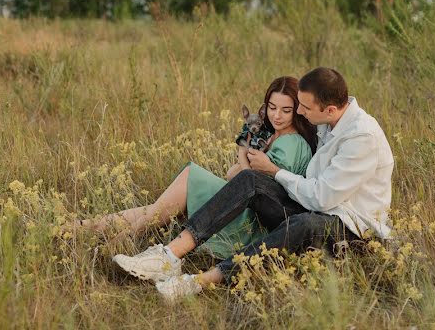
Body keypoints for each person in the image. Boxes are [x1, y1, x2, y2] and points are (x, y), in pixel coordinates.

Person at [112, 67, 394, 302]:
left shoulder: (361, 138)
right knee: (249, 179)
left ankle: (199, 282)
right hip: (314, 207)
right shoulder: (329, 121)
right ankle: (167, 257)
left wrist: (275, 171)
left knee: (305, 224)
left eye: (304, 108)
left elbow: (322, 198)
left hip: (350, 230)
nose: (301, 113)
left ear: (330, 109)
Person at [81, 76, 316, 259]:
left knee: (189, 178)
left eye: (286, 110)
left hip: (250, 218)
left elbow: (253, 184)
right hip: (242, 204)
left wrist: (241, 152)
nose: (276, 115)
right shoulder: (275, 136)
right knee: (158, 207)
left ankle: (119, 239)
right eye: (272, 107)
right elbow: (234, 174)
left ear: (298, 109)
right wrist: (243, 159)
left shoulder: (291, 143)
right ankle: (84, 227)